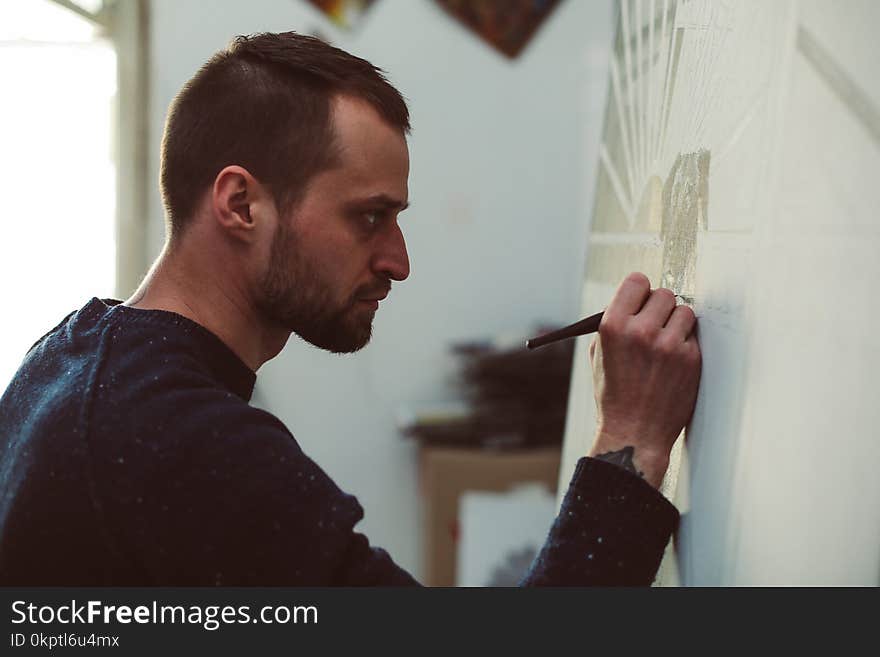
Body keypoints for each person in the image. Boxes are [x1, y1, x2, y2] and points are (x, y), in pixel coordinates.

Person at [0, 32, 701, 585]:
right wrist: (632, 432)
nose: (398, 260)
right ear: (240, 204)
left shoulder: (70, 356)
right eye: (369, 217)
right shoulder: (182, 441)